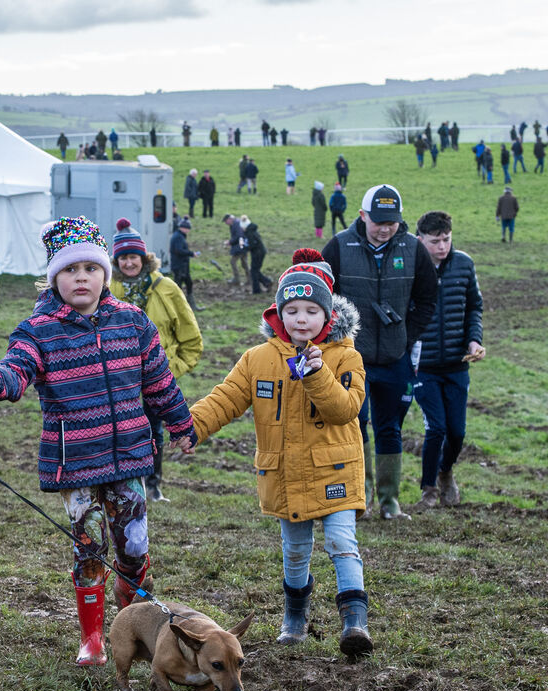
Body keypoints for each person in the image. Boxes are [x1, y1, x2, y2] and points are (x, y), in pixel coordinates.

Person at [0, 216, 197, 666]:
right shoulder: (38, 330)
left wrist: (180, 423)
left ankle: (133, 624)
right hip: (74, 464)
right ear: (54, 277)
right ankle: (93, 638)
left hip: (131, 458)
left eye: (90, 269)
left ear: (104, 275)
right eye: (70, 270)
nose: (81, 278)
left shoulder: (133, 323)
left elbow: (158, 382)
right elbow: (14, 375)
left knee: (134, 549)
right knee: (89, 547)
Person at [184, 251, 372, 656]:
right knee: (296, 549)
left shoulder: (346, 357)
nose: (300, 319)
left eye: (310, 310)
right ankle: (294, 618)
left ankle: (354, 623)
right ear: (278, 313)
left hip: (335, 470)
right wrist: (192, 426)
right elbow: (226, 398)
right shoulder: (258, 359)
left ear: (328, 316)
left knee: (342, 541)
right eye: (291, 310)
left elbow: (344, 409)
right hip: (285, 475)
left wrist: (317, 372)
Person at [321, 184, 438, 520]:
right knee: (355, 424)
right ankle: (360, 499)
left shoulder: (413, 248)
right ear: (362, 216)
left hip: (395, 358)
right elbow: (321, 299)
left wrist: (406, 335)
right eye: (379, 221)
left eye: (393, 222)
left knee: (390, 428)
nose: (386, 228)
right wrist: (338, 339)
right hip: (351, 359)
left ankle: (389, 502)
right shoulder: (340, 247)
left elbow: (428, 298)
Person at [108, 218, 202, 503]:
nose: (128, 263)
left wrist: (172, 369)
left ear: (144, 257)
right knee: (118, 432)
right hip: (118, 378)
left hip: (155, 376)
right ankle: (120, 484)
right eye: (123, 258)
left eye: (133, 256)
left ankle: (153, 485)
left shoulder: (167, 288)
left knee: (153, 431)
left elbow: (190, 335)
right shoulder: (107, 289)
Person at [411, 212, 484, 509]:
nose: (442, 246)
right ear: (420, 240)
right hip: (422, 366)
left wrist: (474, 339)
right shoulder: (411, 268)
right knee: (436, 427)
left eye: (446, 239)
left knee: (457, 431)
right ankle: (428, 489)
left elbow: (474, 307)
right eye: (435, 241)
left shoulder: (464, 264)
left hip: (457, 363)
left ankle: (445, 472)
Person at [170, 217, 200, 310]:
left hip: (182, 265)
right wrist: (191, 253)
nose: (189, 230)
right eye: (188, 228)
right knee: (178, 286)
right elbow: (179, 250)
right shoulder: (178, 237)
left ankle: (191, 305)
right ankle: (176, 306)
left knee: (189, 283)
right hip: (179, 265)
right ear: (183, 228)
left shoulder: (179, 235)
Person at [242, 215, 271, 293]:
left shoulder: (249, 232)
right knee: (255, 270)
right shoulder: (252, 230)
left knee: (254, 271)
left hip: (257, 253)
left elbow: (252, 245)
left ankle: (257, 290)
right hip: (260, 252)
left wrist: (244, 248)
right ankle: (266, 282)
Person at [223, 213, 247, 285]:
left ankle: (236, 279)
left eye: (226, 221)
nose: (225, 223)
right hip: (243, 246)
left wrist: (230, 242)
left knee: (233, 262)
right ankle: (250, 279)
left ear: (230, 219)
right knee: (244, 263)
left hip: (240, 247)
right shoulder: (236, 223)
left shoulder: (236, 224)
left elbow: (239, 236)